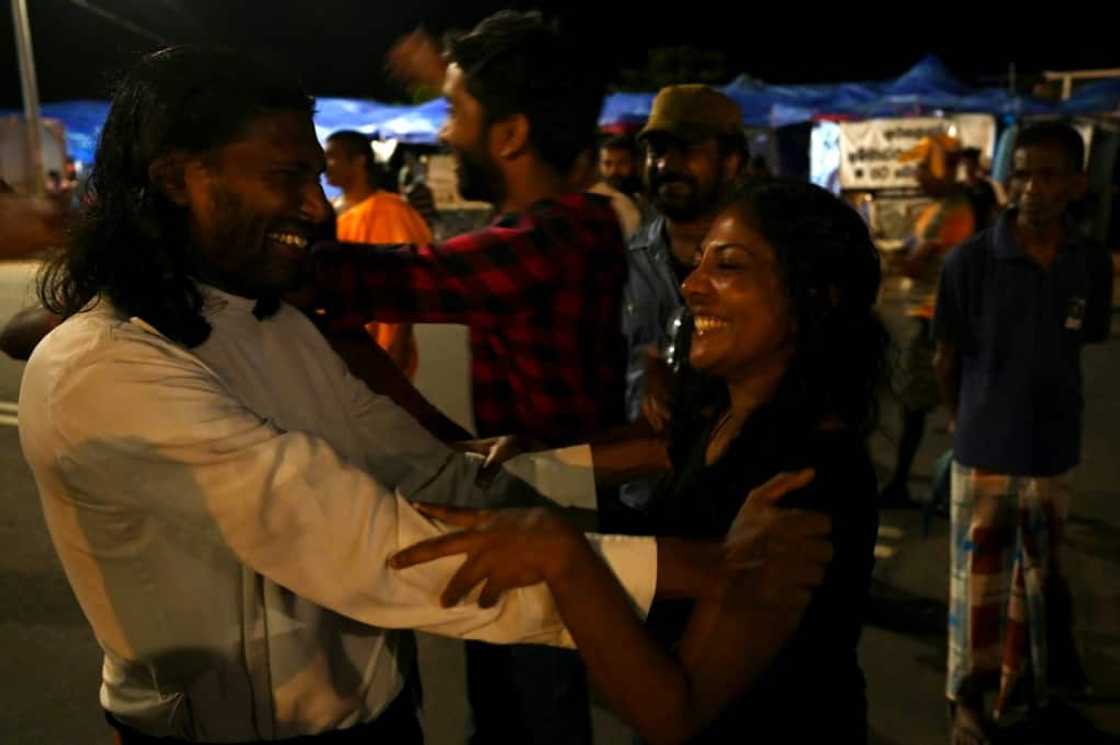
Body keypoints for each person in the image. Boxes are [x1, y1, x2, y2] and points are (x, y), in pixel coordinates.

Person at [17, 44, 833, 745]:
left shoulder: (277, 323)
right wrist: (694, 566)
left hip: (383, 711)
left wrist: (608, 538)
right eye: (288, 175)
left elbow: (430, 470)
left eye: (455, 109)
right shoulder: (110, 365)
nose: (319, 204)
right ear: (175, 179)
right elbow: (366, 542)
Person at [393, 179, 887, 743]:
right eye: (697, 263)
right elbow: (630, 454)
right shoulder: (725, 418)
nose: (692, 285)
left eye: (728, 267)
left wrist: (562, 555)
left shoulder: (802, 482)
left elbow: (675, 713)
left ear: (818, 295)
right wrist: (522, 459)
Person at [331, 12, 632, 744]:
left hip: (556, 494)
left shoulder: (556, 237)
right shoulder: (559, 224)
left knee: (531, 714)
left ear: (512, 135)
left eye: (455, 113)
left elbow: (405, 281)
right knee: (505, 703)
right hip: (532, 478)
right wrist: (455, 81)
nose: (445, 131)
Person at [933, 122, 1113, 745]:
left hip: (1053, 450)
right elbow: (946, 358)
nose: (1031, 189)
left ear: (1077, 184)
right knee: (976, 588)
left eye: (1048, 175)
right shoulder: (971, 262)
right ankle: (968, 701)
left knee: (1035, 584)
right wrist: (962, 424)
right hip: (984, 449)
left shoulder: (1089, 264)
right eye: (1021, 175)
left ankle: (1025, 688)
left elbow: (1084, 337)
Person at [620, 84, 746, 519]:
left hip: (735, 504)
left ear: (731, 161)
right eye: (656, 151)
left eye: (686, 150)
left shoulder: (766, 268)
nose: (665, 166)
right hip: (640, 502)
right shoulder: (624, 265)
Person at [880, 133, 977, 507]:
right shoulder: (937, 209)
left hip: (935, 318)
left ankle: (904, 484)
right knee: (917, 406)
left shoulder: (952, 211)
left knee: (916, 406)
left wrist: (882, 254)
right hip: (929, 316)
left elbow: (914, 264)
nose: (917, 176)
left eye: (923, 168)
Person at [325, 129, 430, 377]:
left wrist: (399, 341)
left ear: (359, 161)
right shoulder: (329, 211)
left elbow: (408, 278)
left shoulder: (390, 210)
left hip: (381, 345)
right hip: (338, 344)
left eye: (331, 157)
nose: (324, 165)